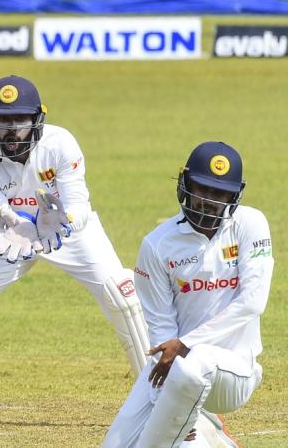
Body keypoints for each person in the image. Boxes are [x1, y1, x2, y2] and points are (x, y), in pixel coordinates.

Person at [0, 75, 151, 425]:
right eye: (1, 120)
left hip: (71, 234)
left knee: (122, 294)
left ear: (37, 119)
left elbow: (78, 203)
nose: (11, 130)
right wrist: (14, 223)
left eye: (19, 119)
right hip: (10, 238)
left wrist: (62, 219)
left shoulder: (61, 144)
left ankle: (159, 399)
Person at [102, 142, 271, 448]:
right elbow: (162, 336)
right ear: (184, 185)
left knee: (197, 361)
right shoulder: (157, 245)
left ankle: (196, 418)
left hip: (234, 373)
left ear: (233, 196)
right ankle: (210, 433)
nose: (207, 201)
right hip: (180, 369)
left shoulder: (249, 224)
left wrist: (187, 344)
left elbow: (252, 302)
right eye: (201, 189)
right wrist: (167, 404)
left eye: (218, 194)